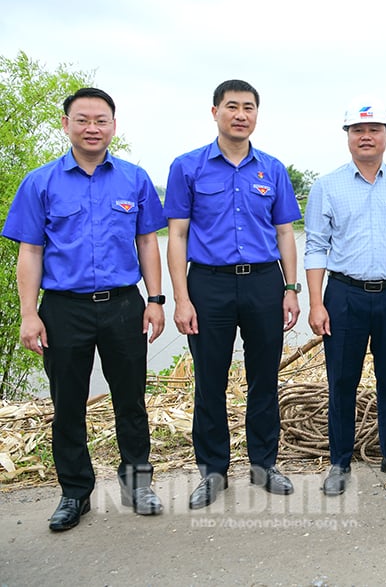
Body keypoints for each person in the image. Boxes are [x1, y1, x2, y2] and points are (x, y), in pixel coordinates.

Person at [3, 87, 166, 531]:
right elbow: (31, 252)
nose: (92, 128)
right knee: (68, 404)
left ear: (114, 126)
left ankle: (137, 484)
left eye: (101, 120)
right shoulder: (41, 182)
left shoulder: (134, 179)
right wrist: (29, 313)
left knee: (130, 399)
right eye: (83, 120)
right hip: (63, 309)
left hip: (122, 306)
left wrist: (155, 300)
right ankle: (75, 493)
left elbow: (148, 242)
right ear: (66, 125)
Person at [164, 79, 302, 509]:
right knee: (210, 380)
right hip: (209, 283)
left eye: (249, 108)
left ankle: (264, 464)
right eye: (232, 107)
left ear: (257, 115)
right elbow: (177, 235)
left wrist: (291, 288)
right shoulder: (187, 167)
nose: (241, 114)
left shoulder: (273, 169)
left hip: (264, 281)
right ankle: (213, 471)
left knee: (265, 376)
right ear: (215, 112)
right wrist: (181, 298)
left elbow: (285, 232)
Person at [304, 98, 386, 496]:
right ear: (347, 137)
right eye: (358, 130)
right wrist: (316, 303)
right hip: (344, 294)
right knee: (342, 381)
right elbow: (315, 246)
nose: (366, 136)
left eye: (374, 129)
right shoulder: (327, 186)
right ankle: (339, 462)